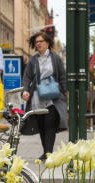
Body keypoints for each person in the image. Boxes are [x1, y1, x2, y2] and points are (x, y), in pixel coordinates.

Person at [21, 31, 67, 160]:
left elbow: (62, 76)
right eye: (37, 42)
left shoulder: (55, 58)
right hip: (37, 97)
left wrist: (63, 91)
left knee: (50, 123)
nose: (39, 44)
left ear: (47, 43)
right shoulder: (33, 60)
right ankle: (45, 150)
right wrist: (25, 90)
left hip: (53, 97)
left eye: (41, 41)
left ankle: (48, 152)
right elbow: (26, 77)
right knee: (41, 124)